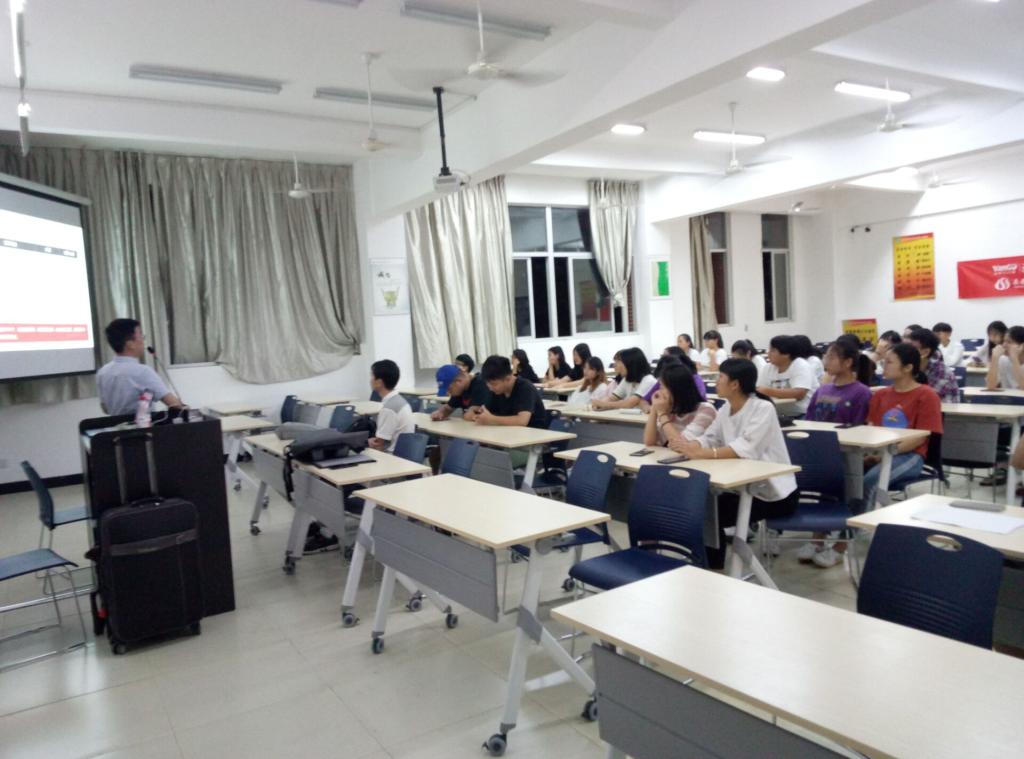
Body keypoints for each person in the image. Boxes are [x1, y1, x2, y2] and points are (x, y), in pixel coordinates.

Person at [677, 359, 798, 570]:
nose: (716, 382)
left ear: (735, 384)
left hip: (772, 492)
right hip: (739, 487)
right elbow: (710, 436)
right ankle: (709, 564)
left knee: (708, 514)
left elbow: (745, 448)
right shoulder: (726, 408)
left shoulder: (763, 408)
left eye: (721, 377)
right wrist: (692, 446)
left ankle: (713, 567)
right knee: (701, 508)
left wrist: (704, 453)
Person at [798, 336, 874, 566]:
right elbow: (808, 421)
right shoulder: (823, 390)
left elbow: (860, 429)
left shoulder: (861, 392)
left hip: (849, 456)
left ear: (848, 362)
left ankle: (841, 546)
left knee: (851, 498)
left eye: (831, 357)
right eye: (826, 356)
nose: (826, 361)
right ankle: (817, 540)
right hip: (822, 454)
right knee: (824, 493)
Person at [861, 343, 942, 510]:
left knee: (872, 480)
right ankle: (846, 521)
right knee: (846, 476)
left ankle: (860, 525)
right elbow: (871, 428)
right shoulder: (881, 394)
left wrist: (886, 454)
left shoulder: (927, 395)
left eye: (889, 362)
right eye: (884, 361)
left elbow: (920, 438)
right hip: (880, 452)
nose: (884, 365)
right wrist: (871, 453)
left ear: (908, 368)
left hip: (910, 455)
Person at [96, 318, 183, 416]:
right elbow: (174, 404)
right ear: (130, 344)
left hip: (115, 425)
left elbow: (105, 408)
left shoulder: (102, 372)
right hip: (142, 425)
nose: (143, 341)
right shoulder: (142, 372)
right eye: (141, 337)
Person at [644, 364, 717, 449]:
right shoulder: (670, 408)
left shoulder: (706, 410)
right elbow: (649, 442)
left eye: (663, 387)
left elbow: (682, 446)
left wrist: (662, 414)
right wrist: (654, 408)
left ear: (676, 389)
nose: (660, 391)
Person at [476, 355, 547, 429]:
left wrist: (492, 419)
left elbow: (522, 421)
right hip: (508, 431)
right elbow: (488, 413)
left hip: (533, 432)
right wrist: (480, 416)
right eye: (487, 384)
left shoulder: (525, 387)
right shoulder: (496, 390)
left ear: (508, 378)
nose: (490, 388)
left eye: (494, 384)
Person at [756, 335, 819, 415]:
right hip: (777, 413)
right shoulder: (768, 368)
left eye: (773, 350)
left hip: (802, 414)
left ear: (786, 354)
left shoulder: (801, 365)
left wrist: (767, 391)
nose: (768, 353)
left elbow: (799, 393)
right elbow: (759, 391)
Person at [367, 360, 415, 452]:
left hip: (392, 456)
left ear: (379, 382)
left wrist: (366, 442)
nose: (370, 380)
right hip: (404, 453)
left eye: (372, 376)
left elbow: (378, 445)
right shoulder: (400, 400)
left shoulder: (389, 408)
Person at [907, 327, 959, 403]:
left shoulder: (942, 372)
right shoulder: (906, 366)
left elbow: (925, 399)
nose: (906, 351)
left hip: (942, 408)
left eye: (912, 348)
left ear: (925, 352)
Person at [987, 325, 1024, 390]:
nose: (1004, 345)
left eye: (1009, 342)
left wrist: (1014, 359)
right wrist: (994, 359)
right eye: (1004, 341)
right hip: (1007, 396)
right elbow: (990, 387)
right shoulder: (1002, 360)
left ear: (1022, 346)